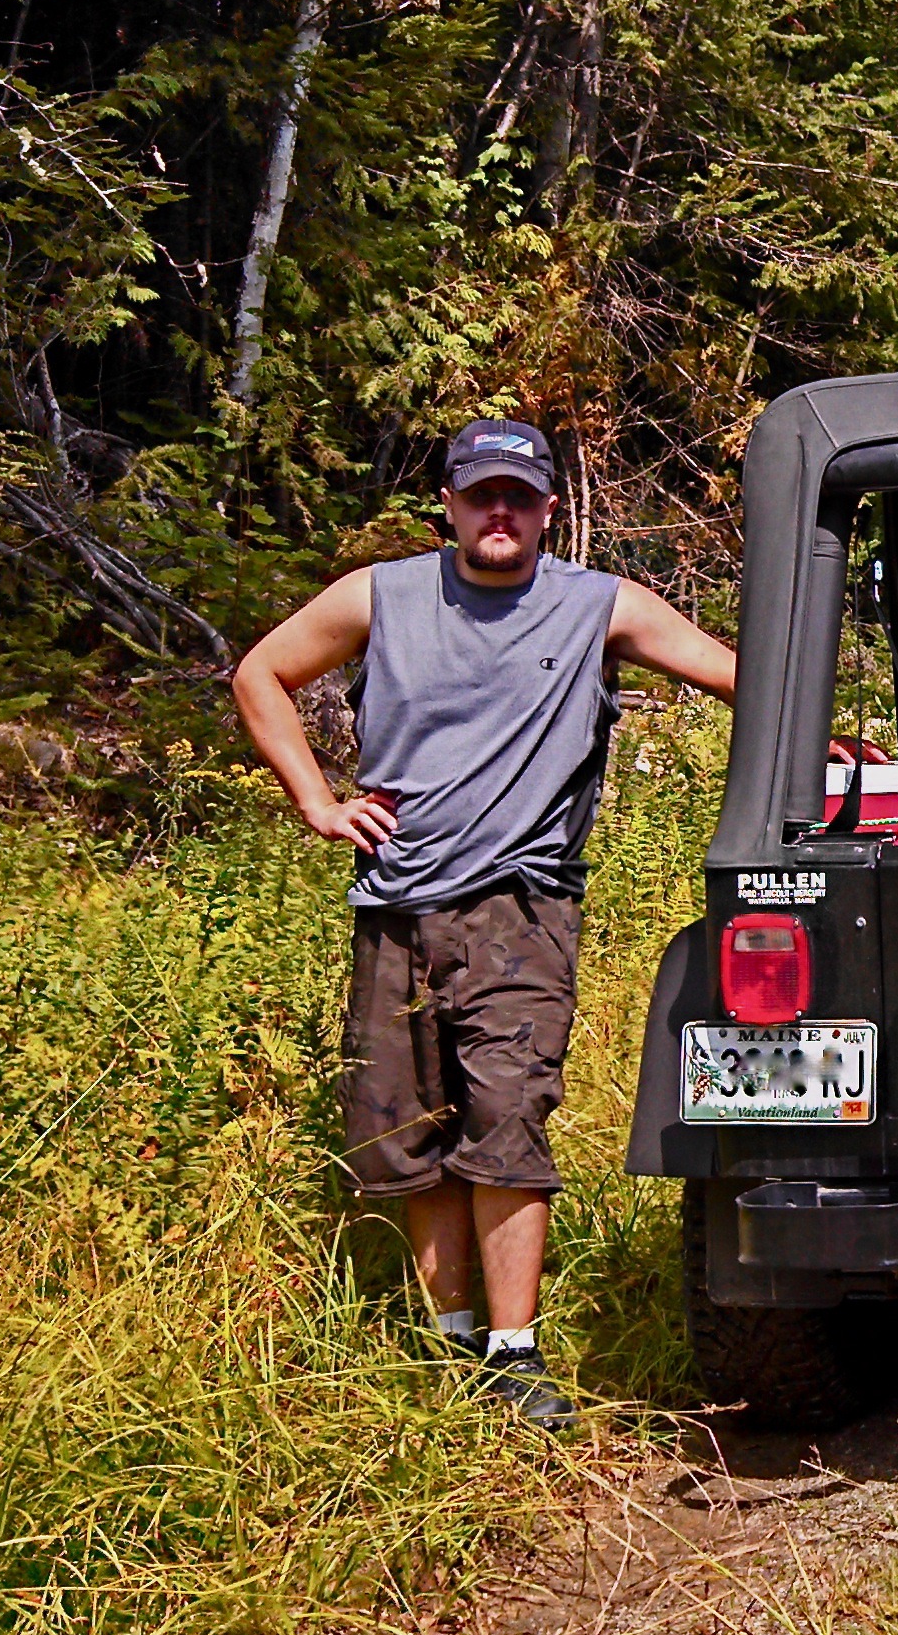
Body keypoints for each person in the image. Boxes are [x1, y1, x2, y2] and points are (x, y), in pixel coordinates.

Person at [232, 420, 738, 1429]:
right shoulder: (381, 595)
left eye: (518, 496)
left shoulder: (601, 607)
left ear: (549, 508)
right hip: (395, 901)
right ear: (451, 506)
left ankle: (515, 1357)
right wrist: (316, 801)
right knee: (411, 1130)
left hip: (522, 907)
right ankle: (451, 1341)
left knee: (506, 1123)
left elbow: (738, 673)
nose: (497, 513)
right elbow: (260, 676)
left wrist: (831, 739)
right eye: (479, 495)